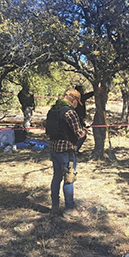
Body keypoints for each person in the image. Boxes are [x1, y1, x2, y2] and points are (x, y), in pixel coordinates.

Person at [46, 88, 88, 218]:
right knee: (69, 179)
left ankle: (54, 207)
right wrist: (84, 132)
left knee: (56, 177)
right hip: (66, 151)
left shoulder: (52, 110)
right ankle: (69, 209)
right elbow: (79, 133)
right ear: (74, 100)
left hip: (53, 149)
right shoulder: (70, 112)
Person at [74, 85, 94, 152]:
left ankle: (74, 150)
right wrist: (96, 91)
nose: (83, 91)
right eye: (81, 90)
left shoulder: (73, 98)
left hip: (77, 118)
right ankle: (75, 150)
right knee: (82, 135)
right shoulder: (80, 98)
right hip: (78, 119)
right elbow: (88, 95)